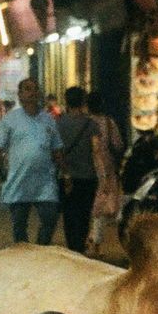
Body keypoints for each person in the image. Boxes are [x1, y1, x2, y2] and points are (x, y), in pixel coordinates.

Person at [0, 77, 63, 245]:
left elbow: (57, 148)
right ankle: (23, 258)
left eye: (35, 89)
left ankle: (40, 252)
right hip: (19, 181)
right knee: (19, 226)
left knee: (50, 219)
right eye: (27, 89)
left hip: (45, 182)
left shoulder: (48, 119)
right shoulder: (9, 120)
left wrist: (66, 173)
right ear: (20, 95)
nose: (32, 93)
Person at [56, 86, 104, 254]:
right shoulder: (91, 125)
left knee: (69, 213)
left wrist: (64, 171)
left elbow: (56, 151)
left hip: (65, 176)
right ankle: (80, 246)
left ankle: (72, 247)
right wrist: (102, 175)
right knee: (84, 214)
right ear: (84, 101)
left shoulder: (59, 123)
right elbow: (96, 151)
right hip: (87, 176)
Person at [85, 89, 124, 256]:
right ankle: (95, 244)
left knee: (85, 206)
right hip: (105, 168)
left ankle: (84, 241)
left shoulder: (83, 122)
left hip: (84, 167)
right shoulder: (109, 123)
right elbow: (118, 145)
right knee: (100, 208)